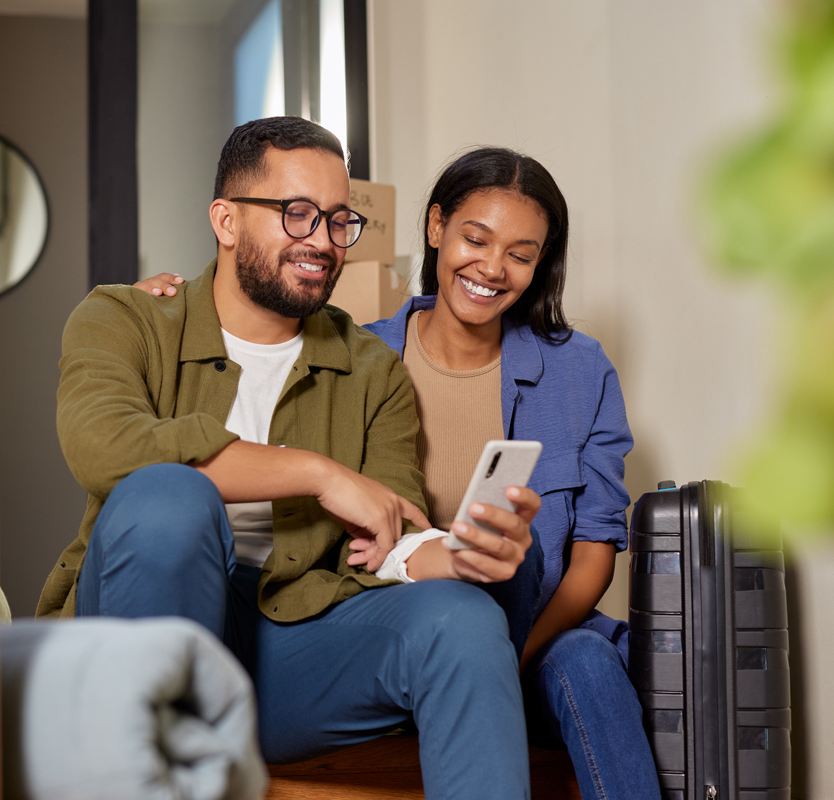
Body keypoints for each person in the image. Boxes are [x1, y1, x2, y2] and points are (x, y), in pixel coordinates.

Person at [39, 117, 544, 799]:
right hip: (140, 636)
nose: (323, 243)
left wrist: (462, 556)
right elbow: (107, 447)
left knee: (467, 620)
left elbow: (389, 532)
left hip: (289, 653)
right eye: (297, 215)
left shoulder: (371, 369)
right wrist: (318, 474)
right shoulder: (123, 319)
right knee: (170, 498)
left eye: (339, 221)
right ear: (225, 220)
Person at [144, 145, 659, 799]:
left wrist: (511, 655)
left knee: (588, 659)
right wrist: (164, 305)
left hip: (534, 635)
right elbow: (248, 325)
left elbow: (592, 556)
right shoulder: (357, 355)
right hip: (396, 626)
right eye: (476, 238)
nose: (493, 268)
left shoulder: (579, 370)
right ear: (437, 228)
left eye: (521, 255)